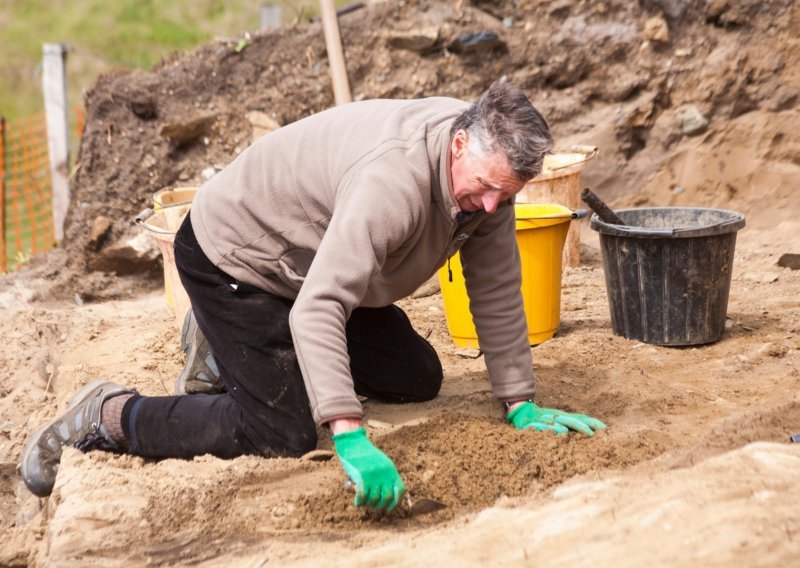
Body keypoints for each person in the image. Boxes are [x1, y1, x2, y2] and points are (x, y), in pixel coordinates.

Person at [20, 80, 605, 509]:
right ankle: (111, 413)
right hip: (236, 257)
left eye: (507, 194)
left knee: (416, 378)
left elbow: (498, 290)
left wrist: (518, 399)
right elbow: (321, 306)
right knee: (284, 431)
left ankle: (218, 341)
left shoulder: (487, 173)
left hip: (307, 265)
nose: (492, 208)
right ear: (458, 146)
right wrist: (349, 433)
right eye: (483, 190)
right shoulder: (394, 182)